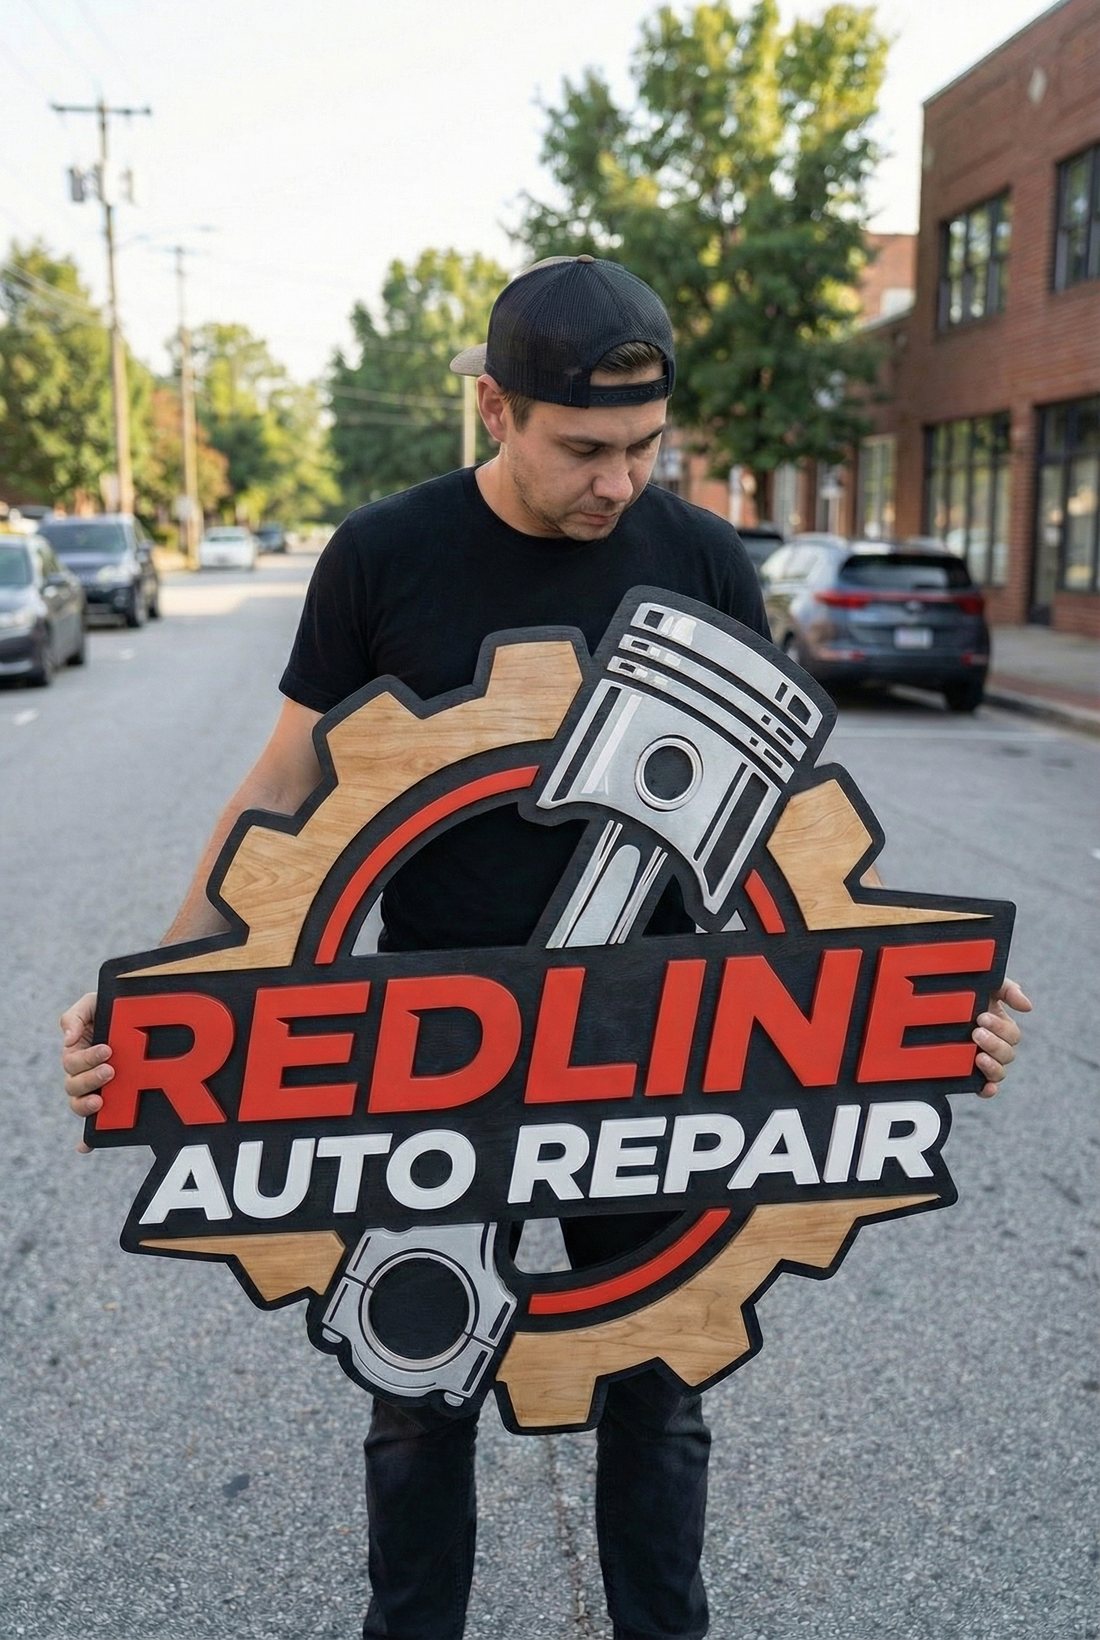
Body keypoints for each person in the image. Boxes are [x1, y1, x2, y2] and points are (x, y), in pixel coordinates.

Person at [61, 255, 1031, 1640]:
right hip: (437, 1040)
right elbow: (281, 792)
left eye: (646, 447)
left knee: (659, 1380)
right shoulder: (385, 556)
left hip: (652, 1042)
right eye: (584, 447)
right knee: (416, 1388)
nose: (619, 481)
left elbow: (776, 836)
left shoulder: (698, 558)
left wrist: (923, 1018)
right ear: (496, 408)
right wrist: (156, 996)